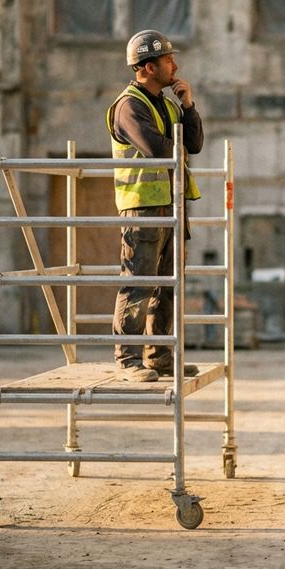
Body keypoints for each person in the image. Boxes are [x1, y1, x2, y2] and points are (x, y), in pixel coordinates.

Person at [106, 29, 203, 382]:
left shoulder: (166, 103)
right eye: (167, 60)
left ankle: (158, 356)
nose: (174, 65)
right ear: (147, 67)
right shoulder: (130, 106)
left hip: (172, 208)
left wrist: (188, 106)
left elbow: (193, 145)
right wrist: (174, 144)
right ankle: (127, 359)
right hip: (143, 209)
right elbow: (159, 150)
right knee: (139, 283)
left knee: (167, 285)